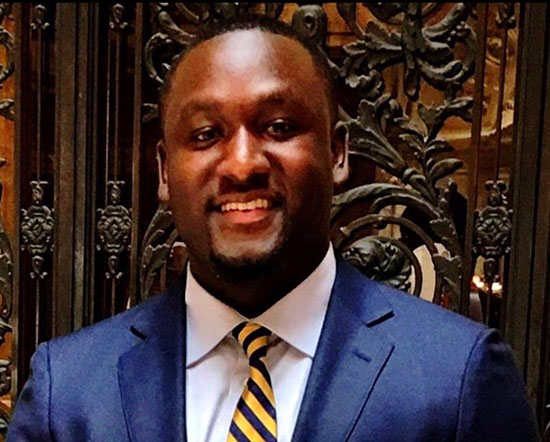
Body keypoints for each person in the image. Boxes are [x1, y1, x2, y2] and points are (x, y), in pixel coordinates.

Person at [8, 15, 539, 442]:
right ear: (165, 172)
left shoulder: (457, 378)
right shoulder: (70, 392)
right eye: (206, 134)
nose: (242, 164)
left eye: (279, 127)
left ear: (337, 153)